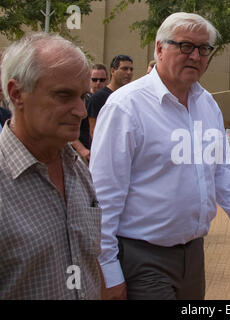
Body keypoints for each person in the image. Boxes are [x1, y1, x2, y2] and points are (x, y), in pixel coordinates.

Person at [90, 12, 230, 300]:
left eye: (204, 49)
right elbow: (104, 196)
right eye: (185, 46)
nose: (195, 56)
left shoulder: (207, 105)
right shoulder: (125, 107)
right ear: (159, 48)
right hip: (142, 257)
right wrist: (107, 270)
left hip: (194, 255)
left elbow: (220, 172)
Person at [0, 33, 103, 299]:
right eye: (64, 96)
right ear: (16, 93)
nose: (81, 111)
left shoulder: (77, 169)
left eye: (82, 96)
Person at [87, 54, 133, 138]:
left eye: (131, 69)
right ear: (112, 71)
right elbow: (93, 132)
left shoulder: (130, 96)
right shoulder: (98, 97)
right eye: (124, 69)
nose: (129, 72)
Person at [71, 64, 108, 164]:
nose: (98, 83)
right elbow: (68, 129)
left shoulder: (109, 99)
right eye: (94, 79)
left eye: (102, 80)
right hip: (85, 154)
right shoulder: (82, 100)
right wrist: (82, 150)